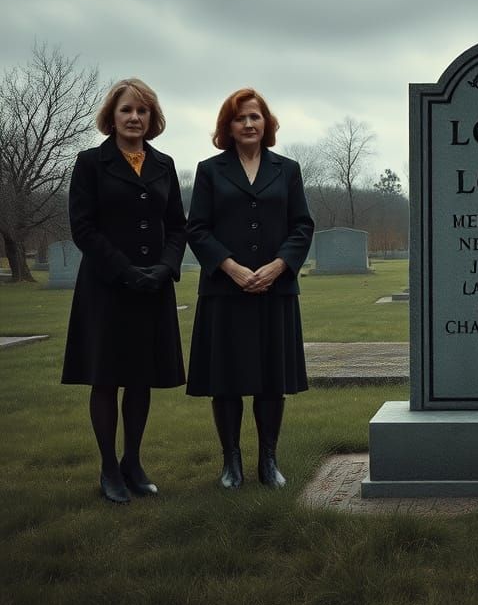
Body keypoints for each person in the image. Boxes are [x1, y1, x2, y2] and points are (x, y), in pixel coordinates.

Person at [62, 78, 186, 504]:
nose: (135, 117)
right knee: (106, 378)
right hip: (107, 287)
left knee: (141, 378)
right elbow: (83, 228)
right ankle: (109, 468)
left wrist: (165, 268)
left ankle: (132, 462)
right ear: (111, 117)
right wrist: (125, 271)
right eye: (126, 110)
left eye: (142, 111)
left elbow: (177, 226)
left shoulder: (164, 164)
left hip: (153, 288)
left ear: (152, 118)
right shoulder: (90, 163)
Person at [186, 89, 314, 489]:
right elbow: (197, 228)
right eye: (239, 118)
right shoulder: (210, 171)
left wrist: (278, 266)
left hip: (276, 290)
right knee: (226, 380)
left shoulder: (287, 170)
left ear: (266, 123)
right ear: (228, 126)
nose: (248, 124)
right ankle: (232, 463)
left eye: (254, 117)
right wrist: (232, 268)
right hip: (225, 292)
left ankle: (268, 461)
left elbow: (302, 225)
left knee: (271, 379)